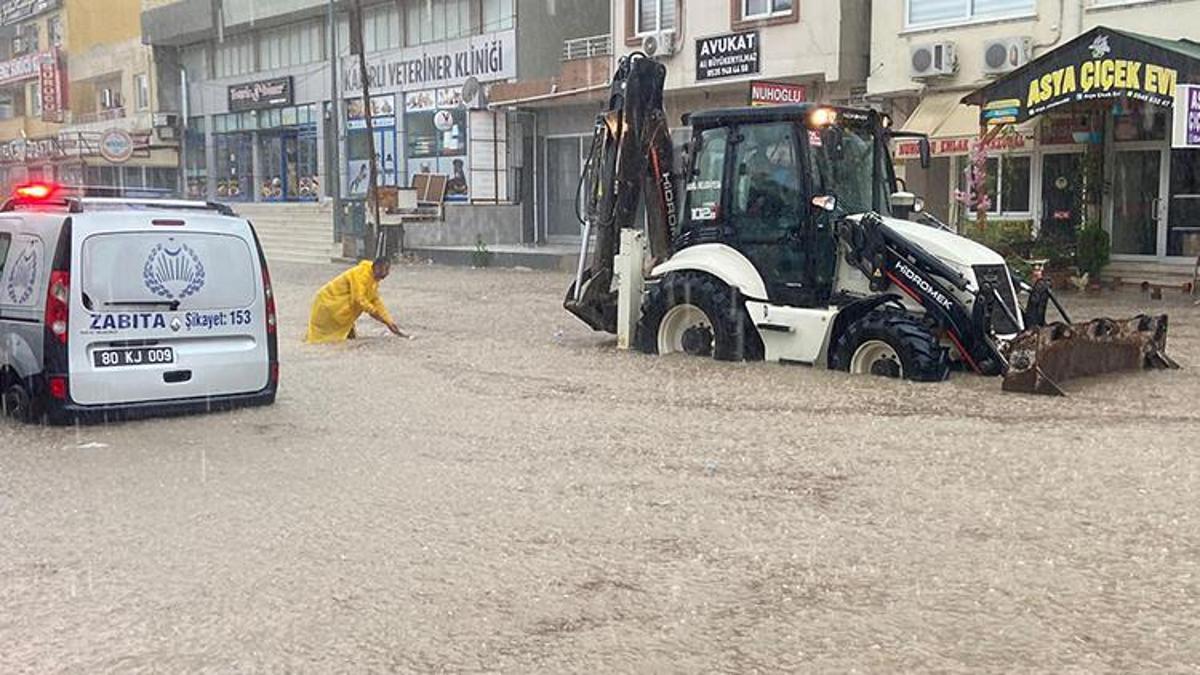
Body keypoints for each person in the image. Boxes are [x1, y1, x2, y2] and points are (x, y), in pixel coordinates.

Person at [305, 258, 407, 343]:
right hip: (328, 303)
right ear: (377, 267)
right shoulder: (361, 274)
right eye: (386, 269)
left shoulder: (373, 280)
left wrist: (389, 322)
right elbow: (359, 299)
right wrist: (375, 313)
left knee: (345, 338)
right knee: (322, 339)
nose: (388, 273)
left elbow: (375, 300)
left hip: (339, 309)